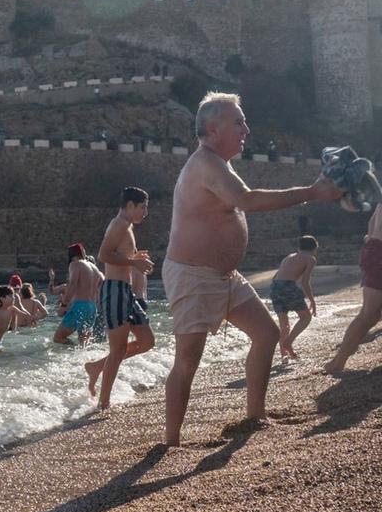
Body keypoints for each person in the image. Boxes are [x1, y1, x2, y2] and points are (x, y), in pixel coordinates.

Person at [162, 93, 339, 446]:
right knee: (188, 359)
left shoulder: (220, 164)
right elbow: (248, 200)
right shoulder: (206, 165)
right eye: (238, 122)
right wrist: (312, 192)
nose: (247, 128)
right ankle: (171, 441)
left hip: (224, 277)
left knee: (267, 333)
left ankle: (254, 416)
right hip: (193, 275)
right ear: (214, 128)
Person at [85, 187, 156, 409]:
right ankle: (103, 403)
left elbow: (117, 255)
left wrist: (134, 257)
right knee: (118, 349)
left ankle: (97, 367)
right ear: (130, 206)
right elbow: (103, 255)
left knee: (147, 341)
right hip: (114, 290)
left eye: (146, 207)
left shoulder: (127, 226)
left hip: (126, 292)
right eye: (142, 207)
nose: (145, 212)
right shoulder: (119, 224)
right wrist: (134, 263)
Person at [324, 210, 382, 373]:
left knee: (371, 314)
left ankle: (338, 361)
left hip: (375, 248)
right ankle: (338, 362)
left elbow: (371, 221)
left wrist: (371, 240)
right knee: (369, 314)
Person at [270, 236, 319, 359]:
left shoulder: (288, 257)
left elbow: (275, 277)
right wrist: (312, 301)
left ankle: (284, 353)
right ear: (315, 248)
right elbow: (305, 282)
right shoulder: (310, 259)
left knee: (284, 324)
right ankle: (288, 343)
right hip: (288, 286)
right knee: (306, 318)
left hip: (275, 287)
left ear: (299, 247)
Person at [51, 243, 103, 344]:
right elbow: (102, 280)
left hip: (80, 306)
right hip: (92, 307)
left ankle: (72, 350)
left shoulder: (75, 264)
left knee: (58, 338)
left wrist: (64, 304)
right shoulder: (94, 267)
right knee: (83, 343)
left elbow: (73, 284)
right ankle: (82, 357)